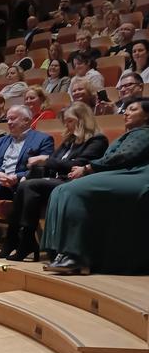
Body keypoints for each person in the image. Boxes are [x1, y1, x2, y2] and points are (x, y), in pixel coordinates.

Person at [42, 100, 149, 275]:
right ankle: (61, 252)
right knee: (61, 189)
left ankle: (77, 256)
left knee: (73, 190)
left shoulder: (144, 133)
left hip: (138, 175)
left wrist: (88, 167)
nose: (126, 113)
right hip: (123, 173)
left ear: (147, 115)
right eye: (126, 109)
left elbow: (125, 156)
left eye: (133, 109)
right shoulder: (130, 133)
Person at [0, 103, 108, 261]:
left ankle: (25, 239)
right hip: (57, 180)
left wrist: (45, 159)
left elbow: (78, 164)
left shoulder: (97, 140)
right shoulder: (70, 140)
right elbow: (54, 162)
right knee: (25, 184)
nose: (66, 125)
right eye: (65, 121)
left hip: (76, 182)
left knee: (29, 185)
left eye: (70, 121)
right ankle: (14, 239)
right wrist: (33, 171)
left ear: (82, 120)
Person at [0, 105, 54, 202]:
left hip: (15, 185)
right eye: (8, 119)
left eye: (12, 119)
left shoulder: (43, 139)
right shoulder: (3, 140)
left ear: (26, 120)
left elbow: (42, 168)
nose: (8, 122)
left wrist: (17, 177)